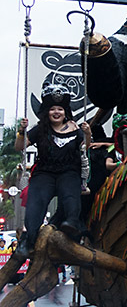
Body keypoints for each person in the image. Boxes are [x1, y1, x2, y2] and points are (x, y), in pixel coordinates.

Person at [14, 85, 90, 255]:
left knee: (70, 193)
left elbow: (85, 147)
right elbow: (20, 147)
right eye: (52, 109)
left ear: (65, 112)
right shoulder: (40, 129)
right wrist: (21, 131)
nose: (56, 112)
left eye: (60, 109)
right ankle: (28, 239)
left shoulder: (76, 129)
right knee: (36, 201)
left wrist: (88, 133)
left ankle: (72, 223)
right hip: (45, 172)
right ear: (47, 111)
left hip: (68, 171)